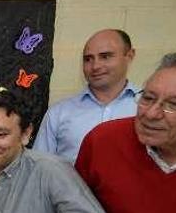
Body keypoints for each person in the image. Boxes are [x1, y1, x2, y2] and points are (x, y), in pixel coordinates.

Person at [71, 50, 176, 213]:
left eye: (173, 105)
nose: (151, 114)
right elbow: (74, 211)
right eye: (148, 98)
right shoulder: (103, 141)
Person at [34, 29, 138, 162]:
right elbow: (39, 169)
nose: (95, 66)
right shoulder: (58, 113)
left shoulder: (149, 109)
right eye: (88, 59)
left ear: (129, 56)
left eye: (105, 56)